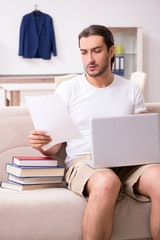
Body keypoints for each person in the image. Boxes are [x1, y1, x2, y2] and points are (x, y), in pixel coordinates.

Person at [29, 25, 160, 240]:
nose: (89, 58)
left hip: (129, 163)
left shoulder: (131, 89)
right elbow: (52, 148)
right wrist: (41, 143)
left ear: (110, 52)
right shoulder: (68, 90)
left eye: (96, 51)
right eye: (84, 52)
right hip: (85, 163)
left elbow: (142, 137)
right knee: (107, 182)